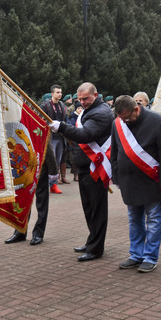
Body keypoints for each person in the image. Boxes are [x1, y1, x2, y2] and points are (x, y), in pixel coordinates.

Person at [110, 96, 161, 273]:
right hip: (129, 181)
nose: (125, 122)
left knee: (153, 220)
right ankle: (136, 255)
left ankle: (150, 257)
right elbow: (115, 151)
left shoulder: (158, 121)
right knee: (134, 219)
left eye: (128, 118)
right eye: (122, 118)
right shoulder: (118, 123)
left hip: (152, 181)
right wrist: (115, 176)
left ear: (137, 109)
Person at [50, 83, 113, 262]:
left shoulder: (101, 112)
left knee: (97, 209)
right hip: (86, 167)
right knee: (89, 208)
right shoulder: (90, 110)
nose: (83, 102)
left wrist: (61, 127)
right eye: (80, 99)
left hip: (96, 168)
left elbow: (86, 135)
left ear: (96, 94)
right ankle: (92, 241)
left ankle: (96, 248)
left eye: (86, 98)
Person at [4, 137, 57, 246]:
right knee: (22, 200)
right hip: (24, 168)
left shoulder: (40, 122)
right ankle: (20, 231)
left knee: (41, 201)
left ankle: (38, 233)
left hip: (40, 166)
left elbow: (48, 146)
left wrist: (53, 170)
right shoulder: (22, 122)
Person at [41, 84, 68, 190]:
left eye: (61, 92)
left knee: (58, 159)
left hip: (60, 137)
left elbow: (65, 120)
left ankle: (53, 184)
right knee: (50, 160)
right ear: (52, 94)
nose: (60, 94)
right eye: (57, 92)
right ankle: (47, 184)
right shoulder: (45, 106)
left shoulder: (62, 106)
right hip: (49, 137)